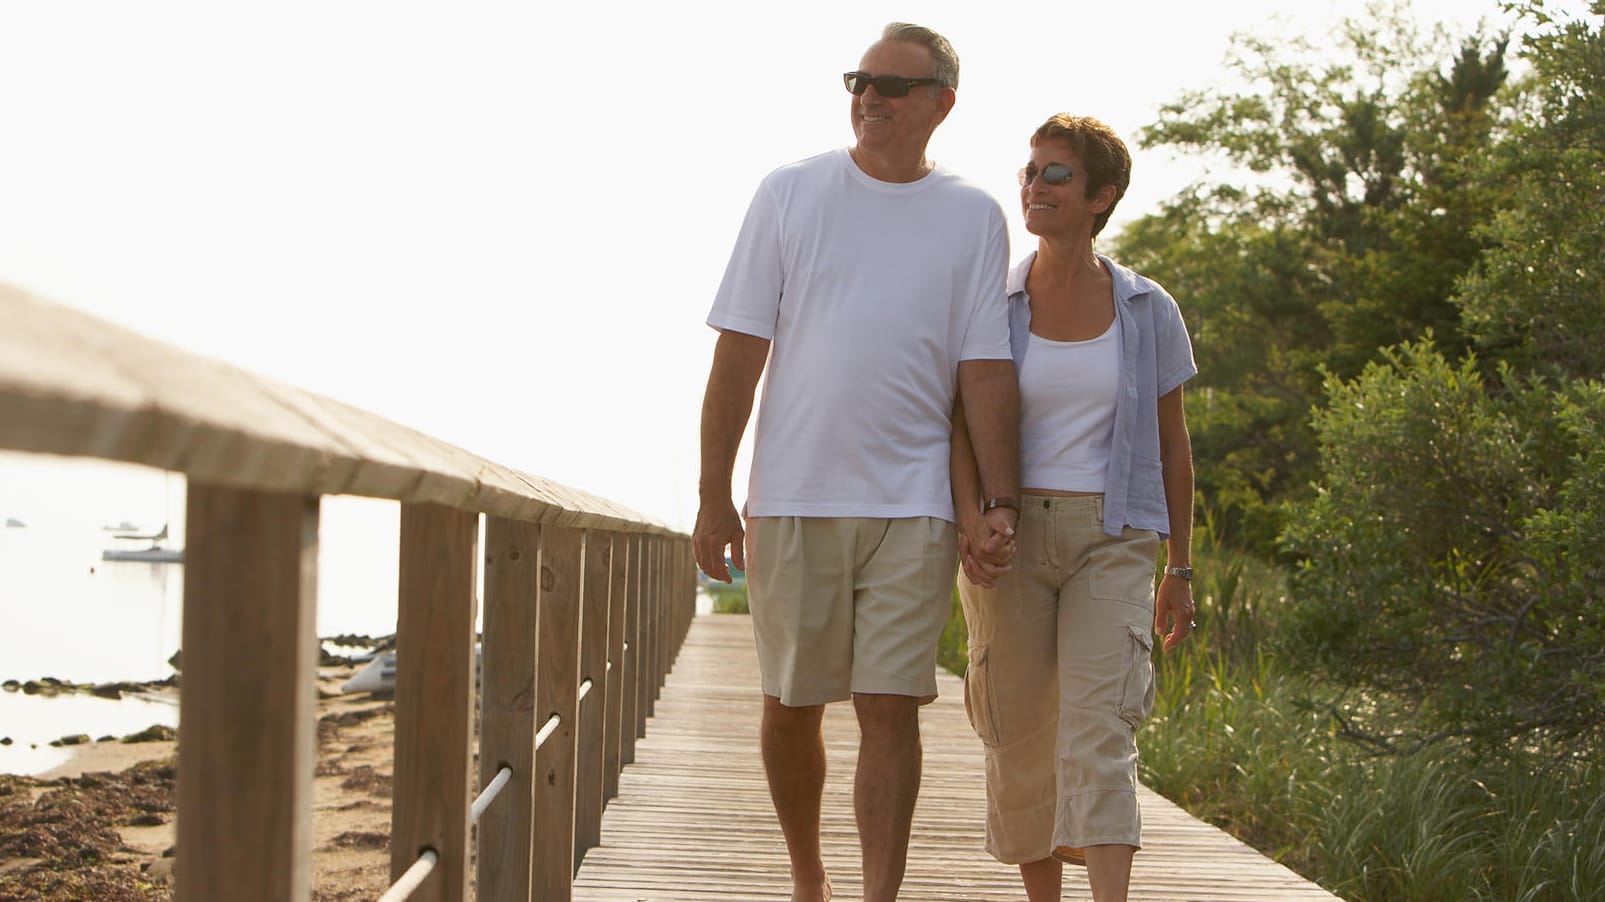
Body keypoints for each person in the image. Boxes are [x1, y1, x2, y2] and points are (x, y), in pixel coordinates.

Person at [693, 22, 1020, 902]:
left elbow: (983, 369)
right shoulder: (791, 192)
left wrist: (1000, 503)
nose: (868, 97)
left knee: (889, 707)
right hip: (793, 494)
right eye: (858, 80)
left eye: (891, 85)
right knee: (790, 706)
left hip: (915, 501)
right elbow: (738, 355)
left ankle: (879, 894)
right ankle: (809, 878)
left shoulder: (972, 214)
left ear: (940, 105)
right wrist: (712, 496)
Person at [950, 114, 1198, 902]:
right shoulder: (993, 301)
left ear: (1101, 196)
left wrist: (1180, 567)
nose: (1033, 185)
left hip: (1113, 537)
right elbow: (953, 423)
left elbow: (1173, 443)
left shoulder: (1146, 308)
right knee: (1018, 735)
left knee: (1100, 731)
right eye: (1028, 171)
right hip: (1008, 538)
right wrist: (973, 517)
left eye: (1055, 174)